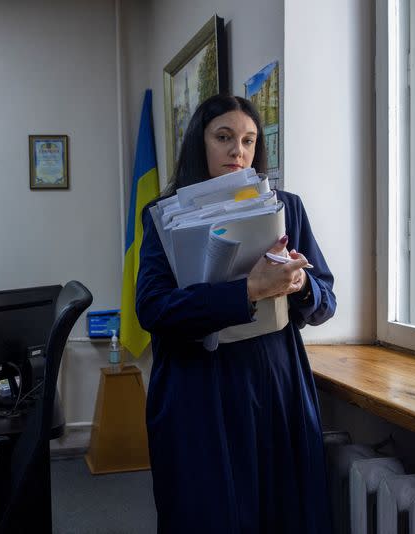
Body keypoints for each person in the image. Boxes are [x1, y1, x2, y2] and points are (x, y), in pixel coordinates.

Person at [136, 94, 336, 533]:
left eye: (248, 140)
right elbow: (152, 308)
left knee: (284, 510)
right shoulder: (164, 215)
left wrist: (299, 284)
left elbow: (327, 301)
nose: (237, 150)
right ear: (199, 143)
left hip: (273, 378)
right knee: (209, 512)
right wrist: (249, 289)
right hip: (198, 385)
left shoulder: (287, 207)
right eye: (223, 137)